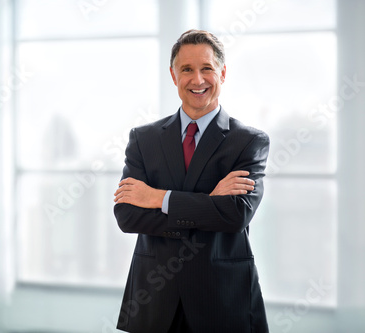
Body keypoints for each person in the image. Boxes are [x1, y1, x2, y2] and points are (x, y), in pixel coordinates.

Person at [113, 29, 270, 333]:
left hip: (223, 300)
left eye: (207, 68)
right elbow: (128, 215)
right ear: (173, 76)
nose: (197, 80)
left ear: (222, 73)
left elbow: (235, 215)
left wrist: (160, 199)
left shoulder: (248, 142)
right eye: (187, 69)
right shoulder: (143, 139)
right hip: (153, 300)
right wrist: (209, 202)